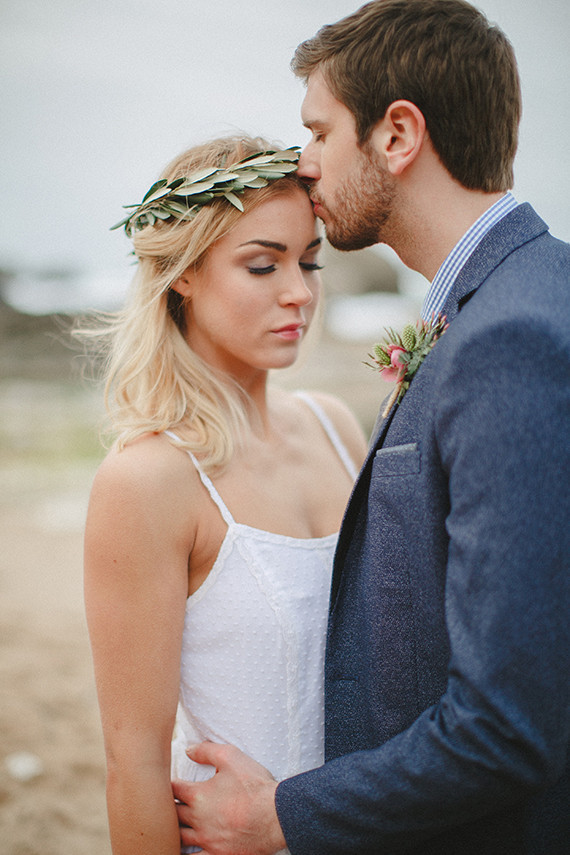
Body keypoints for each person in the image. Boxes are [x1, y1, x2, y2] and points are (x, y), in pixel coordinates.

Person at [171, 2, 570, 853]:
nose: (304, 161)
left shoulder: (509, 339)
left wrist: (284, 816)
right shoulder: (523, 294)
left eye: (319, 131)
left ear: (397, 135)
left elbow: (508, 723)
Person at [83, 134, 367, 854]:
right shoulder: (148, 479)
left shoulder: (335, 427)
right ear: (183, 273)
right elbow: (134, 764)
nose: (299, 292)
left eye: (309, 262)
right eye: (263, 264)